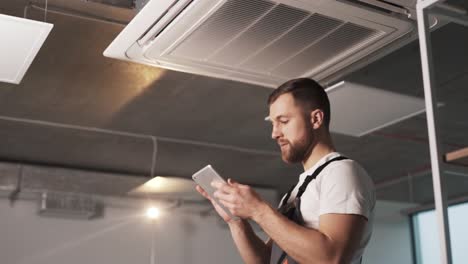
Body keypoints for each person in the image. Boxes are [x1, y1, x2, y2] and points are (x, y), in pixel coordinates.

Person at [196, 78, 375, 264]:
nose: (274, 133)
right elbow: (266, 261)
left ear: (316, 119)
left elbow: (331, 259)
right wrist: (235, 221)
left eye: (283, 121)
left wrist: (258, 209)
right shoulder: (296, 191)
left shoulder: (341, 172)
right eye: (273, 123)